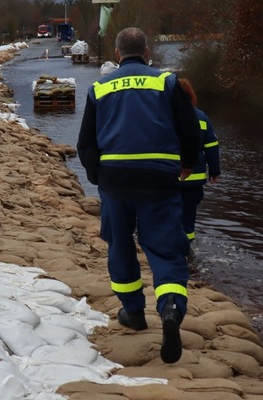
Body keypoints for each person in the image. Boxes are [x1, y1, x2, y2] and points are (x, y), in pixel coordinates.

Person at [76, 27, 201, 364]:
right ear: (147, 52)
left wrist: (96, 176)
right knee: (165, 247)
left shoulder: (99, 88)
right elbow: (190, 130)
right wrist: (188, 164)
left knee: (119, 245)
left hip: (115, 182)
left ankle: (133, 312)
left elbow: (85, 143)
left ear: (117, 55)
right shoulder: (167, 82)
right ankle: (171, 309)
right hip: (159, 179)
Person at [177, 79, 221, 248]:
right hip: (194, 178)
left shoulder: (163, 115)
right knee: (189, 214)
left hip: (170, 177)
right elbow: (211, 146)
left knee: (167, 212)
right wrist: (214, 171)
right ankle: (187, 249)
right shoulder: (202, 117)